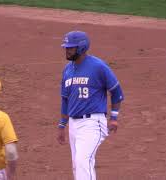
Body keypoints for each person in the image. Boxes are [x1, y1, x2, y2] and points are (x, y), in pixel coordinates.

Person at [57, 31, 124, 180]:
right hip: (74, 124)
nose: (67, 50)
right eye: (66, 47)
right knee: (77, 165)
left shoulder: (98, 66)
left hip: (92, 123)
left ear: (81, 48)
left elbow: (116, 92)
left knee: (83, 161)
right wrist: (62, 125)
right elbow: (65, 100)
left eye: (70, 47)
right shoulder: (67, 70)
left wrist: (114, 117)